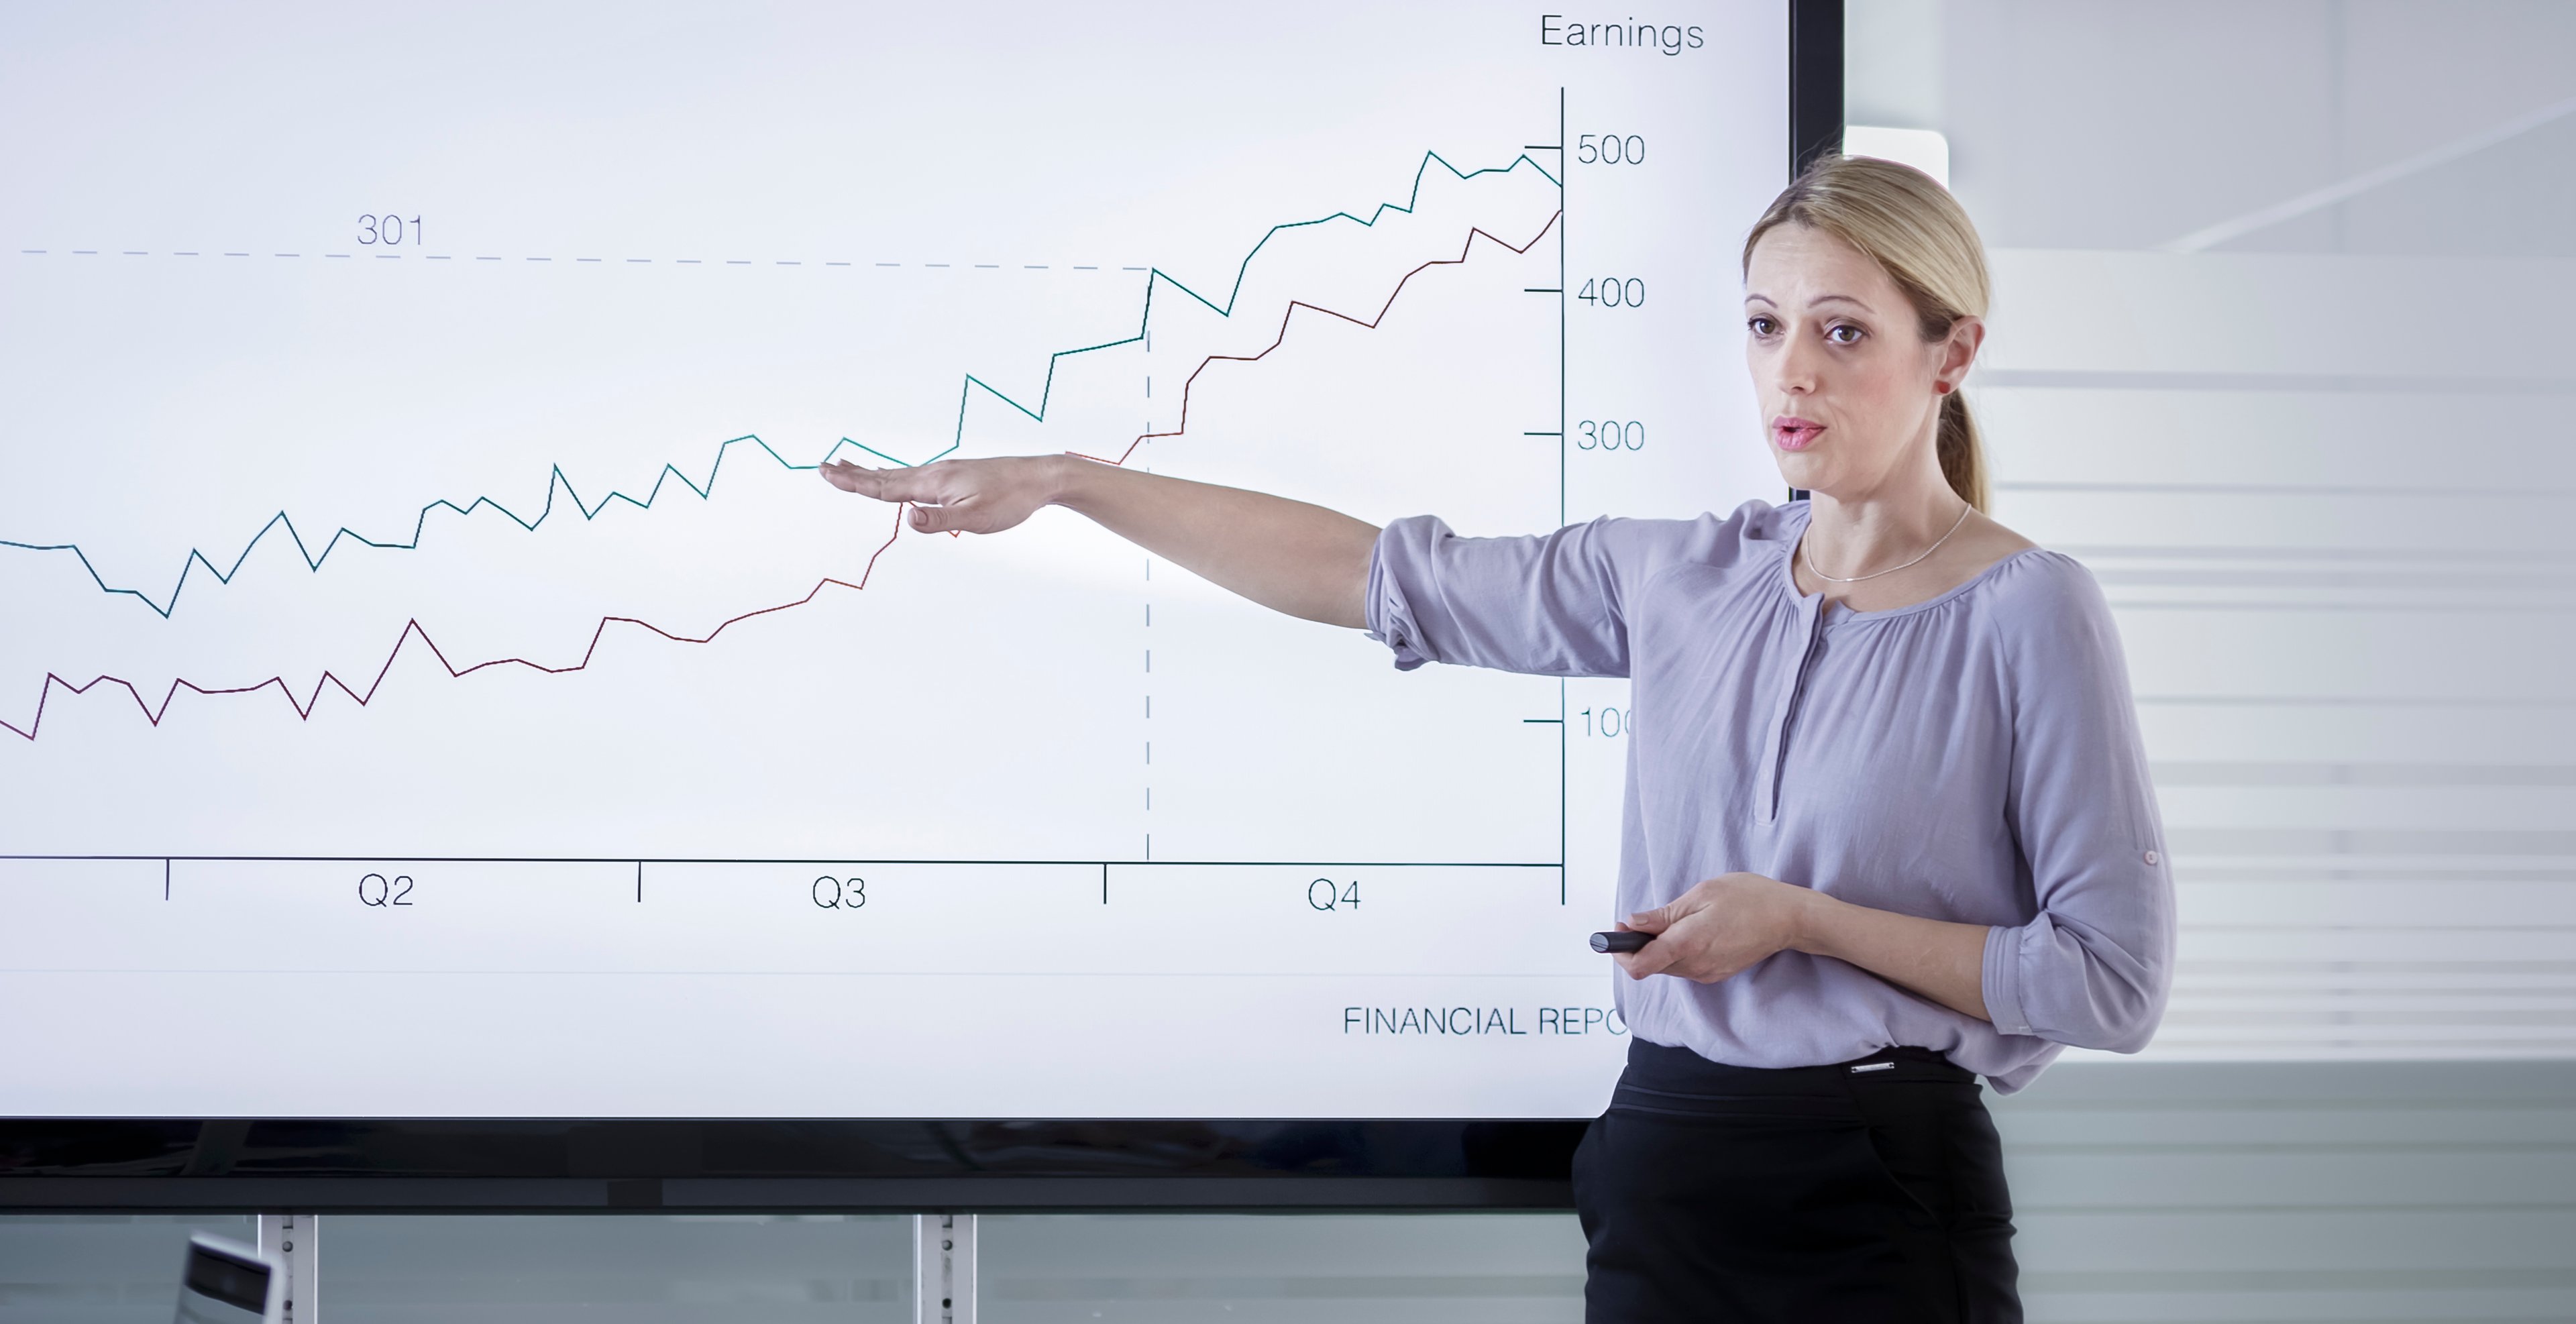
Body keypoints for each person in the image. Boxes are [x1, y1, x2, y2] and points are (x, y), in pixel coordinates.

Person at [820, 154, 2174, 1323]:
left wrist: (1807, 924)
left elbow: (2110, 982)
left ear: (1953, 353)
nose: (1790, 372)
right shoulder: (1681, 579)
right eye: (1763, 327)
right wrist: (1073, 483)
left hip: (1882, 1191)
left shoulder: (2027, 609)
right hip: (1666, 1163)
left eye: (1841, 332)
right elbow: (1374, 575)